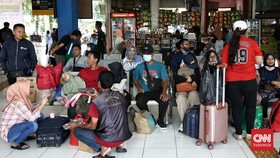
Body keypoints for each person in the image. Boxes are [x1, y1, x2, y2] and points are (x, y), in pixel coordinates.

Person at [67, 70, 132, 158]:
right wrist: (98, 96)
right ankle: (120, 145)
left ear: (99, 83)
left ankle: (104, 148)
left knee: (78, 131)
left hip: (109, 139)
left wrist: (77, 125)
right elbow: (110, 106)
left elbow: (92, 126)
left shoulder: (96, 103)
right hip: (123, 136)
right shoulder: (120, 95)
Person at [221, 20, 263, 140]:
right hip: (249, 79)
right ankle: (249, 133)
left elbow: (224, 64)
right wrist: (250, 62)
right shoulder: (252, 43)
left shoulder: (228, 45)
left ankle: (238, 133)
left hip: (232, 80)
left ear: (234, 31)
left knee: (236, 107)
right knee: (250, 106)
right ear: (246, 30)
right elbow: (260, 61)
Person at [0, 80, 49, 150]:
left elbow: (31, 110)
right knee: (33, 125)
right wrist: (41, 105)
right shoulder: (18, 103)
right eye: (28, 88)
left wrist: (41, 104)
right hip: (9, 133)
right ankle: (15, 143)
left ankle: (24, 135)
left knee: (40, 116)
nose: (30, 89)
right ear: (21, 90)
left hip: (16, 126)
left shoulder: (23, 99)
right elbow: (31, 118)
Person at [133, 44, 169, 129]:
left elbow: (165, 80)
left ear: (152, 54)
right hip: (145, 92)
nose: (146, 56)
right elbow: (135, 79)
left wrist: (164, 92)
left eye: (148, 54)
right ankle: (150, 118)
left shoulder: (160, 66)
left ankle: (160, 119)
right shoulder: (139, 67)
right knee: (140, 101)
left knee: (164, 100)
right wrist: (139, 87)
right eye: (144, 54)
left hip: (157, 90)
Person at [174, 53, 201, 132]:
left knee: (193, 95)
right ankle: (184, 122)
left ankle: (195, 119)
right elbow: (175, 78)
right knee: (180, 98)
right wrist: (186, 79)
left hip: (193, 89)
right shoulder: (177, 66)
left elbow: (199, 78)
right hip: (181, 90)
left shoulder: (195, 68)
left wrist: (192, 79)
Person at [258, 53, 280, 127]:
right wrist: (273, 82)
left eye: (272, 59)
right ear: (265, 60)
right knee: (264, 99)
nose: (270, 61)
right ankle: (265, 118)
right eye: (268, 59)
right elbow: (263, 82)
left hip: (276, 90)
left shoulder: (277, 70)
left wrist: (275, 83)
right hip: (265, 90)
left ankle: (277, 119)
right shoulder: (262, 70)